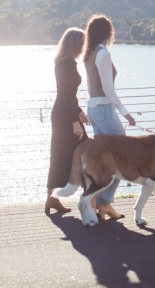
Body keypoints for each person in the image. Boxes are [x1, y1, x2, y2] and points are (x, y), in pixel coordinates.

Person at [82, 15, 136, 220]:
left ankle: (97, 199)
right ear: (108, 32)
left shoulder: (89, 54)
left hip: (93, 110)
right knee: (122, 160)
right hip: (104, 110)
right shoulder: (103, 54)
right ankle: (103, 202)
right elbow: (108, 89)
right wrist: (125, 113)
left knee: (103, 161)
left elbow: (92, 88)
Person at [45, 27, 90, 214]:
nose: (84, 47)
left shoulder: (63, 62)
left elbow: (68, 95)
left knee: (60, 155)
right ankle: (89, 200)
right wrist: (74, 121)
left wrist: (79, 112)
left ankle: (52, 199)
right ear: (76, 44)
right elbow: (65, 94)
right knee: (85, 150)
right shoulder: (69, 64)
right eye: (83, 43)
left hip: (64, 113)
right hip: (65, 116)